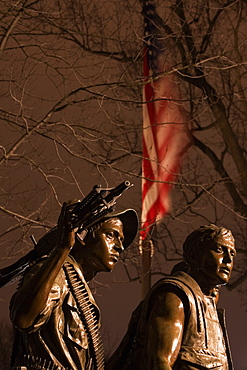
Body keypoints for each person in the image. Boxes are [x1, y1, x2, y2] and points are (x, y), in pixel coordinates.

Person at [9, 201, 138, 370]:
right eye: (110, 235)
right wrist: (62, 249)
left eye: (120, 240)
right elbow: (24, 318)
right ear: (82, 237)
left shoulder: (79, 290)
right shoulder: (56, 273)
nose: (120, 246)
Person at [106, 224, 236, 370]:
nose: (228, 260)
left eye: (232, 254)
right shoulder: (174, 296)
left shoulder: (210, 308)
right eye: (219, 250)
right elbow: (160, 362)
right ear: (193, 255)